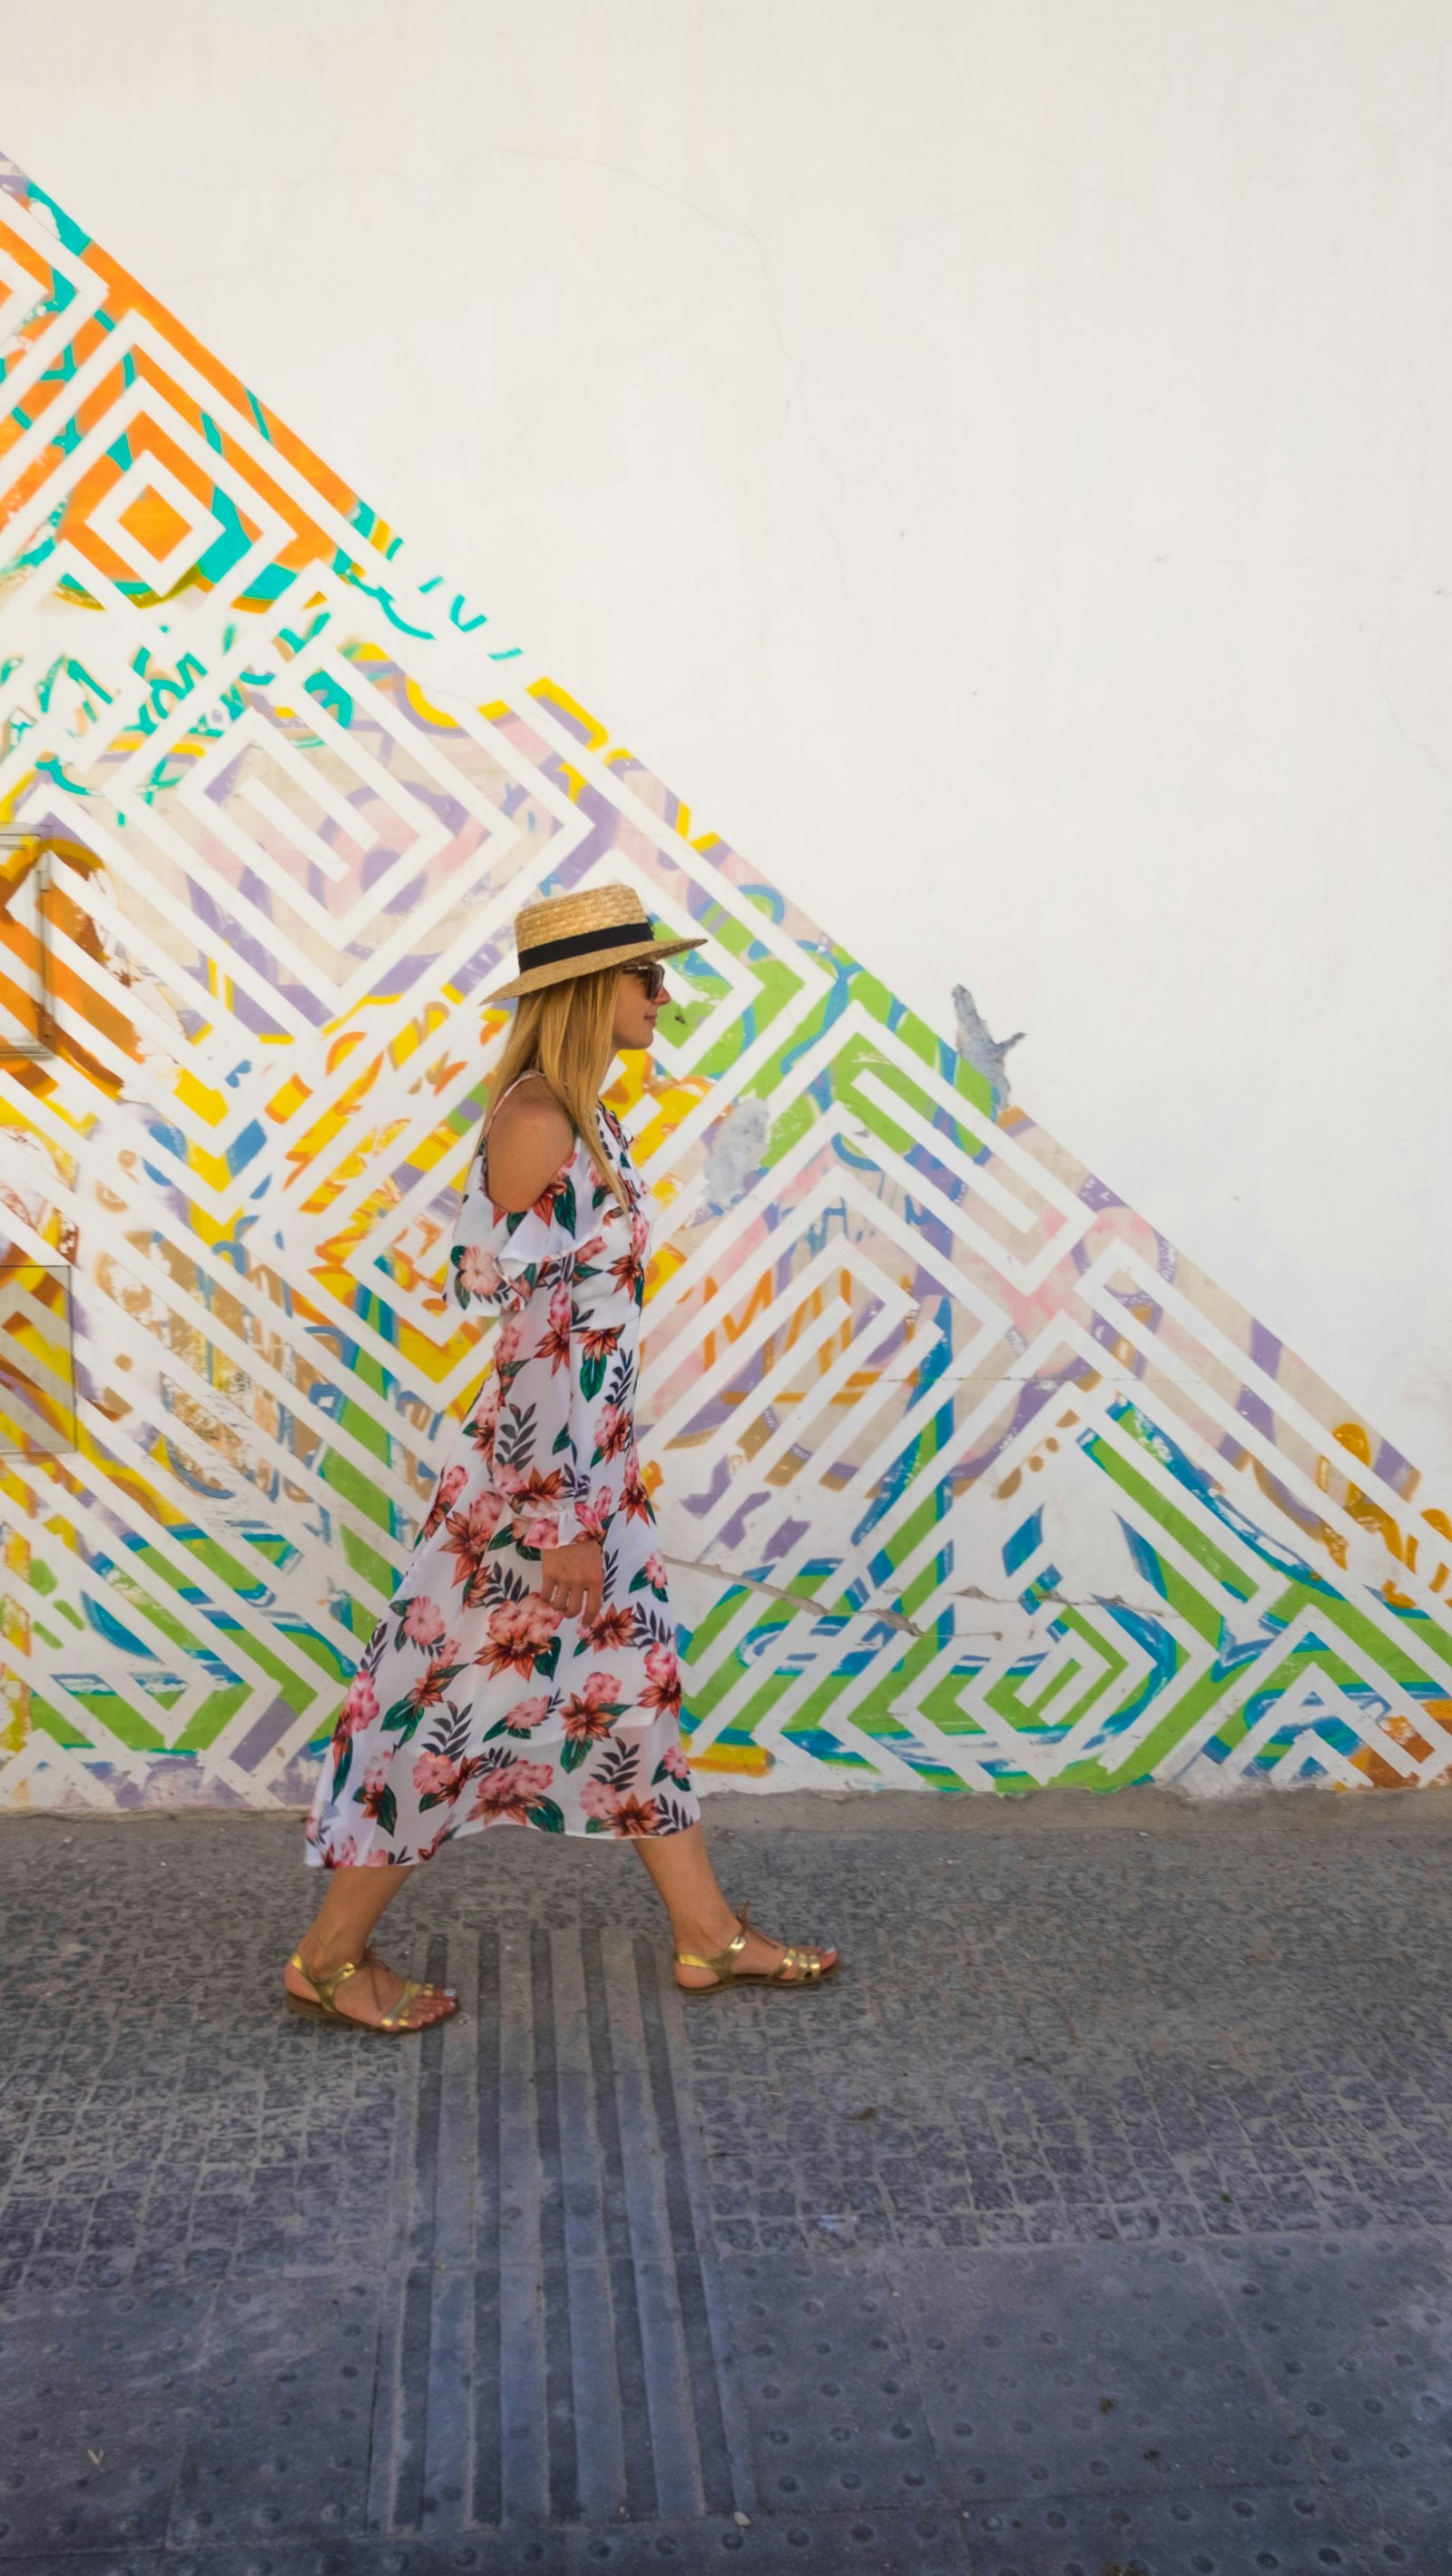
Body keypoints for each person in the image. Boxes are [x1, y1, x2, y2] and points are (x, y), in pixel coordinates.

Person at [284, 882, 839, 2031]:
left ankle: (706, 1936)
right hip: (540, 1496)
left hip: (590, 1478)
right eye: (647, 975)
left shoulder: (586, 1115)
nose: (663, 994)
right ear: (592, 991)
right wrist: (559, 1521)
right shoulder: (538, 1119)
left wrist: (596, 1497)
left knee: (631, 1703)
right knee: (439, 1719)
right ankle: (329, 1958)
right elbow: (533, 1340)